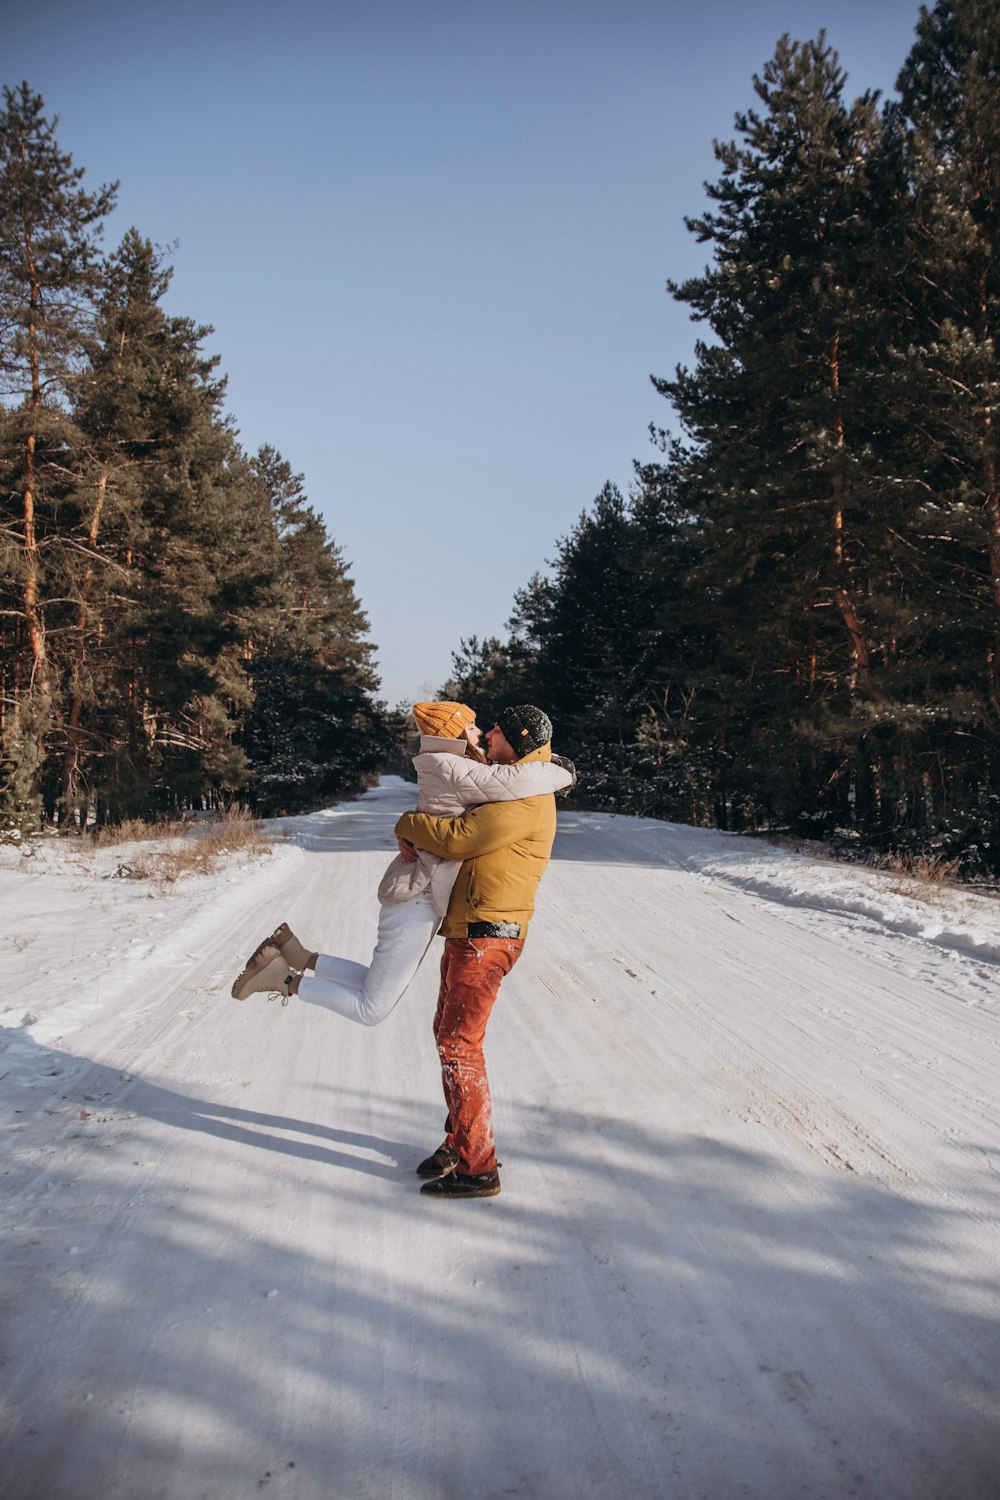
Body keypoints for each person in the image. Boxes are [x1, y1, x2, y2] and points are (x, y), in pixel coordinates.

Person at [229, 702, 572, 1030]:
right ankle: (281, 978)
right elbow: (505, 787)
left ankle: (298, 955)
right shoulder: (452, 765)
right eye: (471, 726)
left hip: (422, 889)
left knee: (373, 983)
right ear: (452, 734)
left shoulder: (462, 762)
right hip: (419, 891)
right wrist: (558, 771)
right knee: (370, 1009)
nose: (481, 732)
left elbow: (505, 777)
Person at [395, 704, 561, 1201]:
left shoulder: (528, 794)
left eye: (498, 730)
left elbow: (462, 838)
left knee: (459, 1043)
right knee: (448, 1034)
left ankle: (478, 1167)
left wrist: (407, 822)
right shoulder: (513, 780)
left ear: (520, 740)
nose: (487, 733)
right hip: (470, 927)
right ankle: (459, 1141)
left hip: (489, 933)